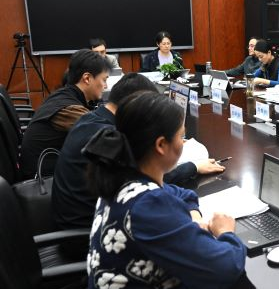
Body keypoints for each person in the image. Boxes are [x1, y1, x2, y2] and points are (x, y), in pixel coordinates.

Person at [83, 91, 264, 289]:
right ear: (161, 145)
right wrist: (226, 232)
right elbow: (226, 267)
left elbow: (179, 193)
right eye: (181, 136)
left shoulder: (120, 176)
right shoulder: (147, 205)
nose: (184, 143)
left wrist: (193, 213)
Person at [52, 73, 225, 236]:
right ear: (135, 105)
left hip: (77, 220)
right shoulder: (111, 139)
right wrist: (193, 167)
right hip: (88, 232)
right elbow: (146, 182)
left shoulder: (91, 119)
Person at [19, 49, 110, 179]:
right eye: (104, 80)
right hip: (42, 178)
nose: (105, 86)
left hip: (47, 166)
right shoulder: (69, 109)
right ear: (87, 78)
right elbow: (106, 137)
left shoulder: (63, 94)